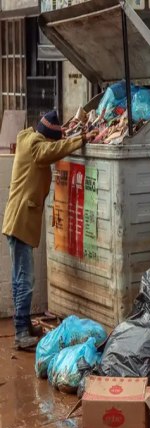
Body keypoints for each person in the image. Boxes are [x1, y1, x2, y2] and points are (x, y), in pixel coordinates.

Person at [2, 111, 94, 349]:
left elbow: (48, 144)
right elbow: (49, 152)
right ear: (47, 138)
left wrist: (64, 133)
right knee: (25, 279)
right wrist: (80, 139)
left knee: (19, 277)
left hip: (17, 219)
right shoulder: (36, 146)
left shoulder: (27, 136)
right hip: (21, 221)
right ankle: (22, 333)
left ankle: (23, 324)